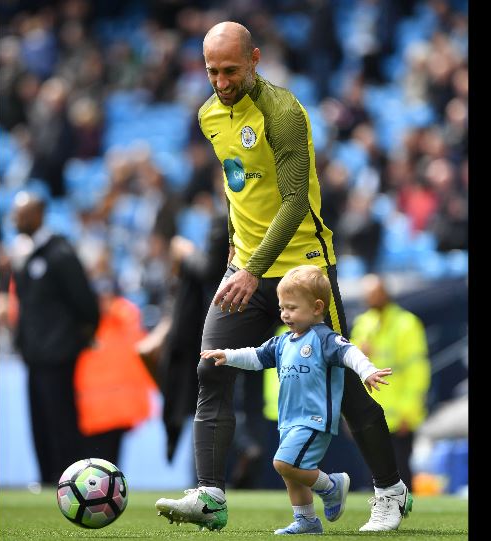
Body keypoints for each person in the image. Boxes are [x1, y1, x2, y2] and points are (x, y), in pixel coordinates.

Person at [154, 21, 413, 532]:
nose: (222, 81)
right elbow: (237, 188)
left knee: (346, 384)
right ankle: (210, 494)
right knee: (212, 368)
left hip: (303, 268)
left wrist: (252, 268)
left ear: (254, 59)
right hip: (245, 267)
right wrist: (236, 248)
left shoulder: (284, 112)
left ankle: (391, 492)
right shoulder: (208, 115)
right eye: (212, 72)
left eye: (231, 70)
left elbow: (295, 202)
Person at [199, 265, 393, 534]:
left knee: (283, 463)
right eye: (282, 308)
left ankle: (332, 486)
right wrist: (228, 355)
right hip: (289, 419)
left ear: (316, 308)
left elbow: (350, 353)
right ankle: (306, 521)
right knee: (293, 475)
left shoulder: (325, 337)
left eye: (292, 308)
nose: (285, 314)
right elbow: (255, 357)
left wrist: (368, 371)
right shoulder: (282, 341)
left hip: (314, 419)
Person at [11, 191, 100, 485]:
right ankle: (46, 478)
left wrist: (73, 341)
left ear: (38, 215)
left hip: (58, 355)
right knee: (40, 421)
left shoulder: (59, 253)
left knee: (61, 420)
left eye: (21, 213)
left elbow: (87, 304)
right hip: (35, 355)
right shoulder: (26, 254)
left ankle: (68, 480)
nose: (15, 219)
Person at [349, 274, 431, 492]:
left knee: (401, 471)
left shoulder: (406, 323)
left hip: (398, 417)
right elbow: (353, 370)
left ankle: (406, 515)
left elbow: (417, 371)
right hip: (370, 414)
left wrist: (409, 411)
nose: (370, 299)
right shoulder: (362, 324)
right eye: (367, 295)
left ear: (386, 294)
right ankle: (381, 513)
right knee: (373, 473)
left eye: (375, 294)